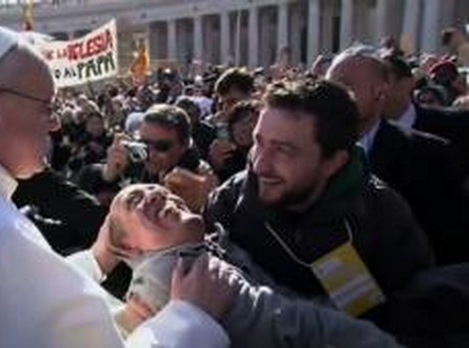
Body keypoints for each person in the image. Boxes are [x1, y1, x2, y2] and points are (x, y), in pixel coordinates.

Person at [0, 24, 238, 348]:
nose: (55, 124)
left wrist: (98, 257)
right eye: (46, 108)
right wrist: (191, 317)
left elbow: (12, 308)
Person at [204, 77, 435, 326]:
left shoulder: (383, 220)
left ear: (334, 162)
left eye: (283, 150)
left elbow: (413, 323)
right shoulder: (227, 204)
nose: (261, 164)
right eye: (259, 142)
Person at [104, 184, 401, 348]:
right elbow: (291, 325)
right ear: (129, 247)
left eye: (284, 147)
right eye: (135, 201)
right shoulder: (178, 277)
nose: (160, 194)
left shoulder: (376, 198)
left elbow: (283, 301)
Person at [326, 46, 467, 265]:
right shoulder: (310, 151)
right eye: (328, 87)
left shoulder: (429, 154)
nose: (332, 96)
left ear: (379, 93)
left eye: (345, 87)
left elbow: (449, 245)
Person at [102, 104, 216, 212]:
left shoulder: (198, 179)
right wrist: (109, 175)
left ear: (184, 145)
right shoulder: (135, 160)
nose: (151, 154)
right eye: (144, 145)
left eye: (162, 147)